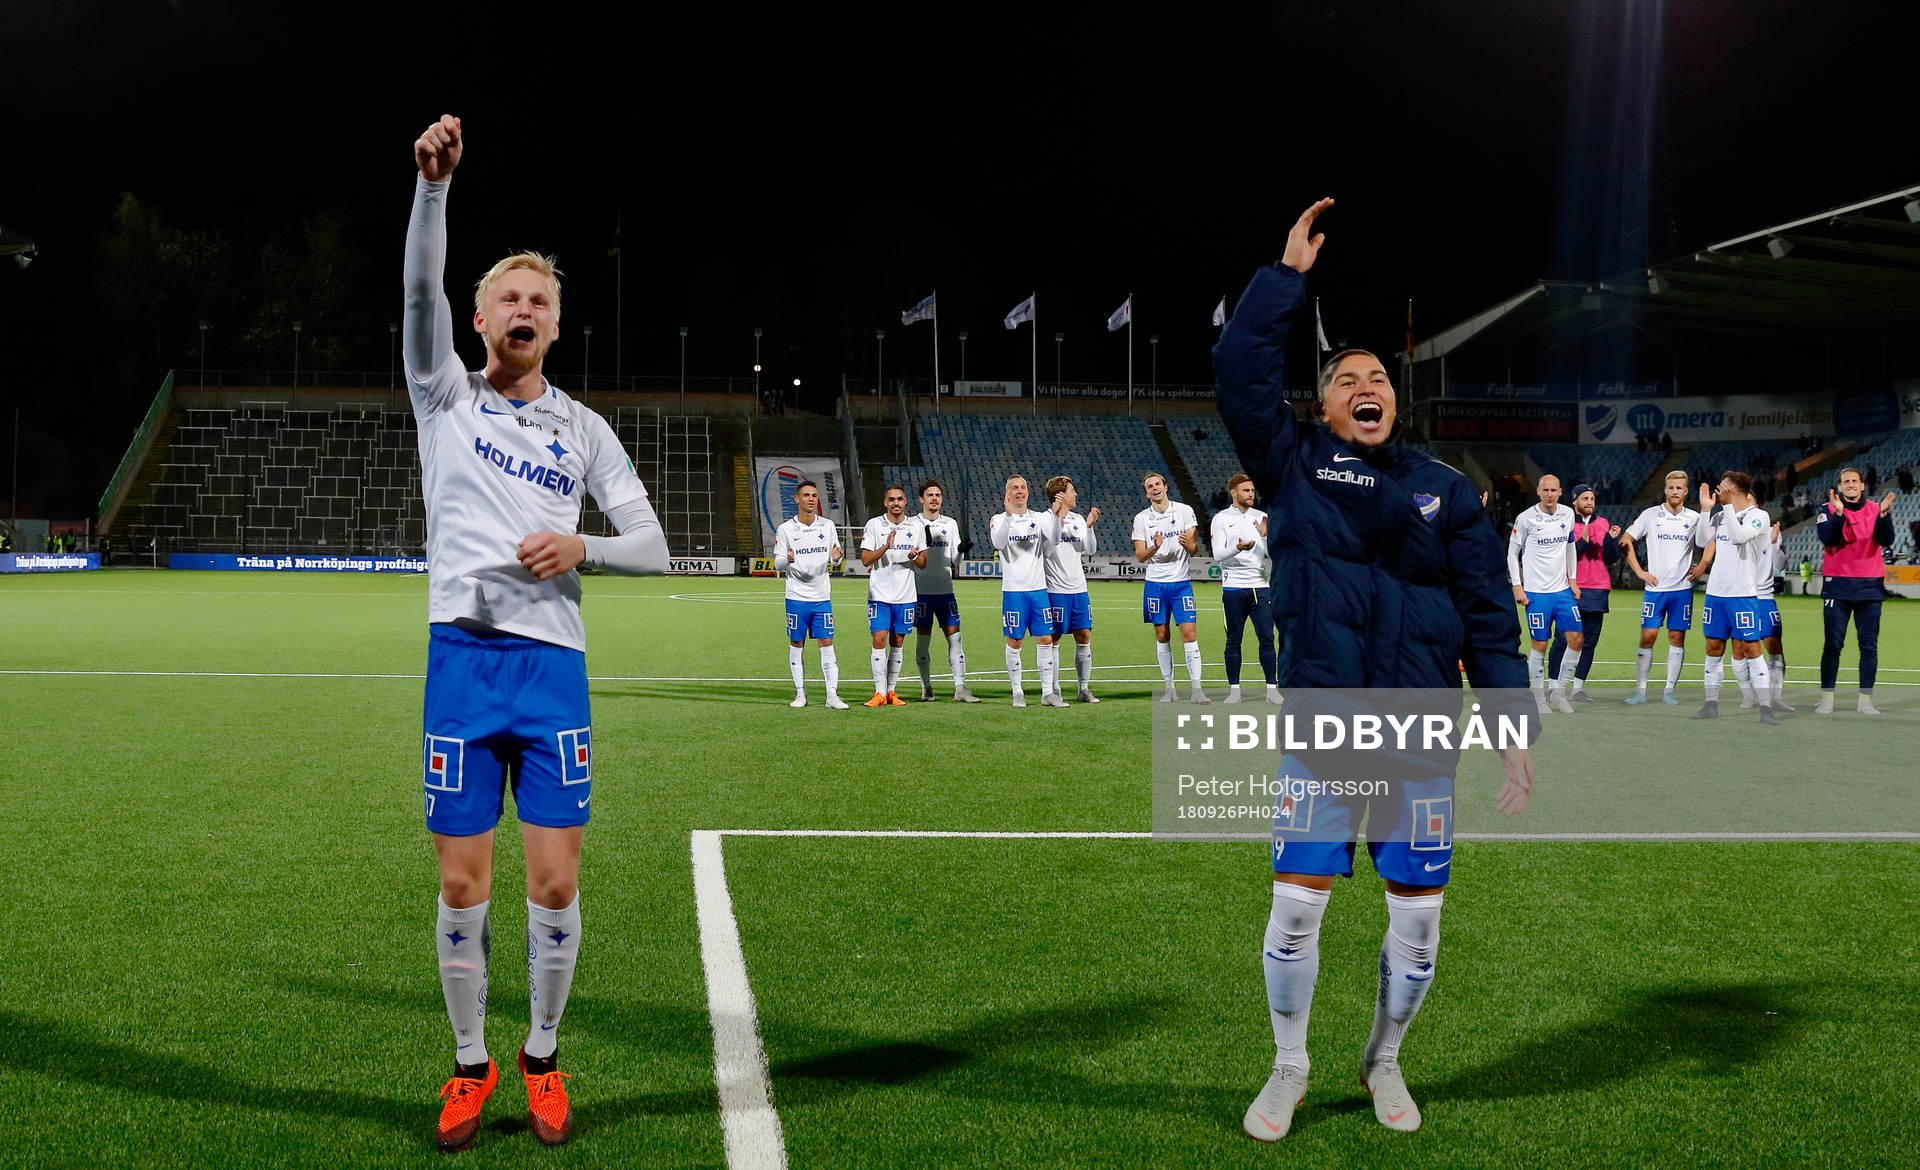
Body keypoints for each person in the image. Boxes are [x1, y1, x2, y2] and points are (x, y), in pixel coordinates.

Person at [1216, 197, 1533, 1142]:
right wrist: (1285, 278)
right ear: (1321, 404)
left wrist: (1512, 728)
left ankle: (1384, 1058)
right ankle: (1288, 1067)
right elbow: (1237, 375)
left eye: (1379, 377)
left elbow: (1489, 616)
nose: (1366, 383)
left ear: (1395, 400)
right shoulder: (1294, 462)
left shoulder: (1445, 491)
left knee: (1420, 925)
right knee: (1296, 906)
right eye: (1347, 376)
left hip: (1423, 736)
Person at [405, 114, 669, 1151]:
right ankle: (470, 1066)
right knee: (462, 884)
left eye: (541, 302)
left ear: (557, 328)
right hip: (462, 666)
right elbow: (417, 290)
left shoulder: (583, 428)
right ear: (478, 321)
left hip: (552, 671)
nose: (525, 309)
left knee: (554, 881)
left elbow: (650, 543)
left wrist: (581, 546)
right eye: (509, 298)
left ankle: (542, 1058)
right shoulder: (443, 397)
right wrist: (433, 191)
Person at [1690, 473, 1778, 723]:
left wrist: (1727, 507)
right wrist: (1706, 510)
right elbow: (1701, 540)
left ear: (1737, 490)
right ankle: (1710, 704)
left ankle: (1765, 708)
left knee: (1751, 648)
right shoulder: (1720, 515)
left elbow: (1740, 537)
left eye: (1725, 485)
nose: (1720, 488)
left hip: (1742, 594)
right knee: (1713, 647)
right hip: (1716, 594)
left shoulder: (1759, 516)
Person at [1814, 470, 1897, 715]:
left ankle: (1865, 700)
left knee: (1869, 646)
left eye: (1854, 481)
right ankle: (1827, 698)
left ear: (1862, 486)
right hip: (1837, 585)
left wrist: (1883, 515)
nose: (1850, 484)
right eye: (1846, 481)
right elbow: (1828, 538)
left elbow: (1887, 540)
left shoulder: (1875, 509)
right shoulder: (1827, 508)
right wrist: (1839, 514)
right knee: (1833, 644)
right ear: (1839, 486)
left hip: (1870, 585)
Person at [1619, 471, 1703, 705]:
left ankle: (1669, 691)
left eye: (1679, 488)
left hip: (1682, 589)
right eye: (1671, 487)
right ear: (1665, 490)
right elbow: (1625, 540)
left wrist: (1702, 566)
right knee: (1648, 637)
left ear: (1686, 491)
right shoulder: (1650, 515)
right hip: (1655, 590)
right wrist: (1639, 572)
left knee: (1677, 637)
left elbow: (1711, 542)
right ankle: (1641, 690)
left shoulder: (1695, 518)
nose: (1675, 491)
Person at [1508, 474, 1581, 714]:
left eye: (1554, 490)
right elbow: (1512, 554)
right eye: (1545, 490)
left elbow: (1570, 547)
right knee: (1540, 643)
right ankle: (1538, 698)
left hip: (1562, 591)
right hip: (1536, 593)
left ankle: (1559, 692)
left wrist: (1573, 579)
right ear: (1538, 492)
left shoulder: (1568, 514)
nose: (1550, 494)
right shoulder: (1526, 518)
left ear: (1560, 492)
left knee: (1576, 639)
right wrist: (1517, 586)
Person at [1132, 471, 1208, 703]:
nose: (1154, 488)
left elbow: (1194, 550)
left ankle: (1197, 690)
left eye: (1158, 484)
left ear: (1165, 487)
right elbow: (1140, 556)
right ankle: (1170, 689)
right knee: (1162, 634)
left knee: (1189, 634)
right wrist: (1155, 547)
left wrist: (1190, 544)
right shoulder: (1142, 519)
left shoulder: (1184, 511)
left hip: (1181, 584)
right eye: (1149, 486)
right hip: (1155, 584)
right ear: (1146, 493)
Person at [773, 480, 847, 710]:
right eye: (806, 495)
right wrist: (788, 559)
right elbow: (778, 562)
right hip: (796, 596)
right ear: (797, 499)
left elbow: (837, 558)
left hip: (821, 596)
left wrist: (836, 558)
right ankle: (800, 694)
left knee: (827, 643)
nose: (811, 499)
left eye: (814, 495)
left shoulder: (827, 526)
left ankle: (832, 695)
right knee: (797, 642)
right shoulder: (786, 529)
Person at [1210, 472, 1281, 704]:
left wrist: (1264, 537)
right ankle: (1235, 691)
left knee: (1267, 638)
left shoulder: (1262, 517)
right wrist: (1238, 548)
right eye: (1246, 490)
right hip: (1233, 588)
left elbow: (1273, 554)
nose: (1251, 494)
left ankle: (1272, 689)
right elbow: (1218, 555)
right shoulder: (1220, 519)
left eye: (1252, 490)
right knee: (1233, 640)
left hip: (1260, 587)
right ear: (1234, 493)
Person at [1545, 484, 1617, 702]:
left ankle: (1577, 688)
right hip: (1570, 587)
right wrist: (1582, 544)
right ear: (1575, 501)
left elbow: (1611, 558)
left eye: (1592, 499)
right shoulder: (1563, 521)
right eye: (1585, 498)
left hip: (1598, 588)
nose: (1589, 503)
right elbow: (1560, 555)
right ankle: (1553, 685)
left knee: (1589, 641)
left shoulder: (1603, 523)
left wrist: (1611, 541)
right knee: (1561, 639)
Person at [910, 480, 978, 702]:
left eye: (938, 495)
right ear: (922, 499)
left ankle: (960, 688)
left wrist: (961, 550)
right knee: (922, 642)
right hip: (920, 593)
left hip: (945, 591)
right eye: (930, 495)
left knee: (955, 639)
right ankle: (926, 687)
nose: (934, 499)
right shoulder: (912, 524)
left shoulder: (950, 524)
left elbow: (956, 560)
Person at [859, 485, 926, 707]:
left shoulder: (916, 526)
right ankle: (878, 692)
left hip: (906, 595)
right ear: (885, 502)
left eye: (899, 499)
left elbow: (923, 564)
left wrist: (914, 557)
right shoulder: (874, 525)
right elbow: (866, 559)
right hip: (879, 593)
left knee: (898, 641)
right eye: (891, 499)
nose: (895, 503)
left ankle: (891, 692)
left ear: (905, 502)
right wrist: (885, 547)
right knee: (879, 639)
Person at [991, 475, 1053, 707]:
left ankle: (1047, 692)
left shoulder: (1038, 518)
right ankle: (1017, 691)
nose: (1020, 491)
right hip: (1014, 591)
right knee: (1015, 640)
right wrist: (1008, 515)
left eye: (1023, 487)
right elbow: (998, 543)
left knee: (1045, 639)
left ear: (1028, 491)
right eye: (1015, 488)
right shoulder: (998, 519)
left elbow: (1055, 539)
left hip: (1038, 589)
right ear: (1008, 493)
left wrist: (1055, 517)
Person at [1041, 474, 1102, 704]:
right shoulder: (1044, 520)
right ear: (1060, 495)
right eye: (1071, 491)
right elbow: (1050, 547)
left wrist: (1089, 526)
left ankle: (1083, 688)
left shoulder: (1077, 519)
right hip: (1055, 589)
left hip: (1079, 589)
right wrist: (1057, 517)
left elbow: (1090, 549)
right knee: (1054, 639)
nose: (1075, 494)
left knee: (1084, 635)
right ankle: (1054, 688)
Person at [1750, 520, 1792, 712]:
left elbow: (1780, 565)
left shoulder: (1770, 531)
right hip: (1740, 597)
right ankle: (1749, 696)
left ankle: (1775, 698)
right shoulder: (1732, 529)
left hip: (1765, 598)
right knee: (1743, 651)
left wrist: (1774, 543)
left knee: (1775, 648)